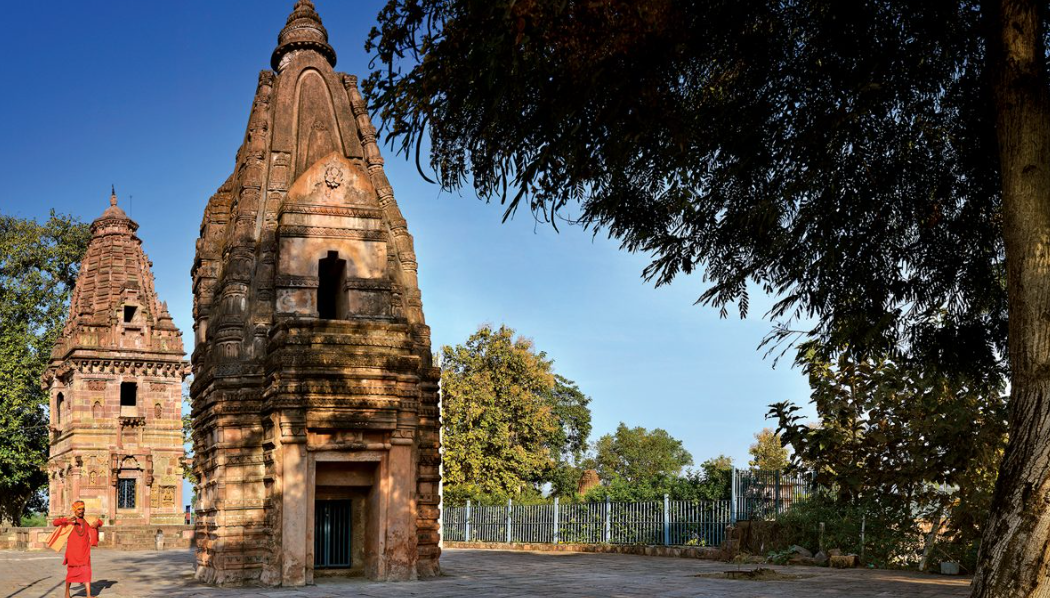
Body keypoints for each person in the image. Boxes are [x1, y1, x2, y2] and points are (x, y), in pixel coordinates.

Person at [52, 500, 103, 598]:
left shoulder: (87, 521)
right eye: (79, 509)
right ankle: (67, 593)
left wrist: (98, 524)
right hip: (73, 553)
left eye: (83, 509)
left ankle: (88, 595)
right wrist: (67, 519)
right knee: (71, 574)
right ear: (75, 510)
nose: (81, 511)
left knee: (87, 572)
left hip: (84, 552)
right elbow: (55, 523)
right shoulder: (69, 522)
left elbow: (100, 521)